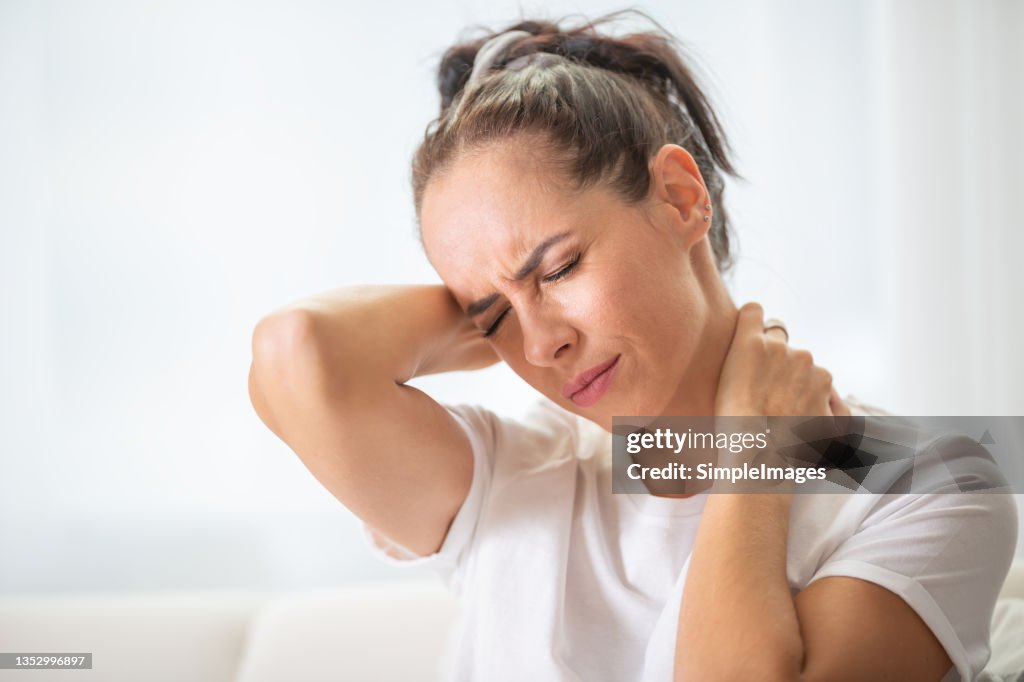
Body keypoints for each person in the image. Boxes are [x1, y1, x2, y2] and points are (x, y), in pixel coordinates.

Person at [247, 10, 1018, 681]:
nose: (541, 344)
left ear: (681, 198)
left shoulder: (929, 483)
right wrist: (508, 306)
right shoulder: (510, 476)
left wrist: (756, 454)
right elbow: (297, 354)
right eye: (490, 318)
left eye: (560, 266)